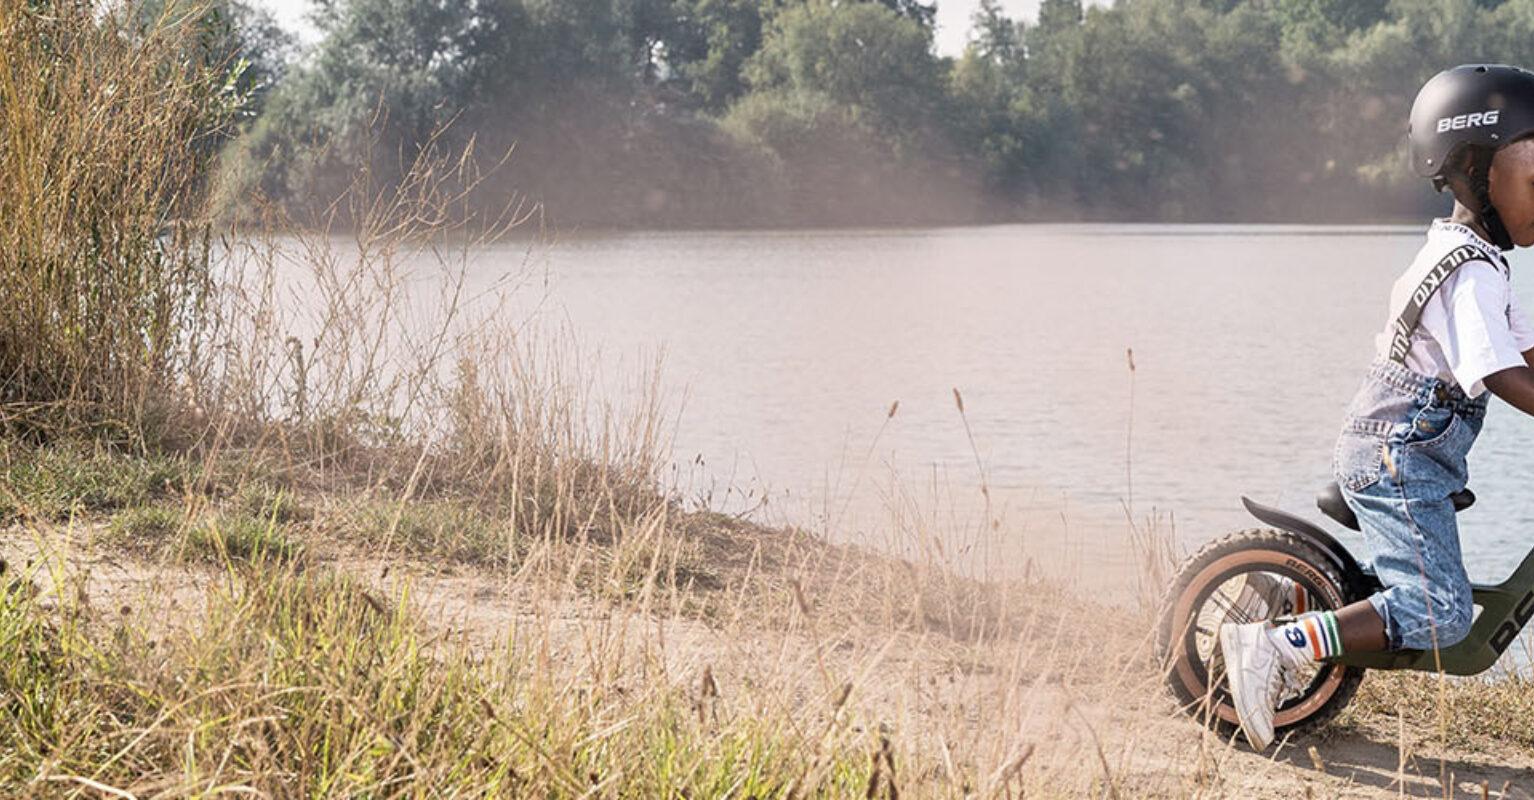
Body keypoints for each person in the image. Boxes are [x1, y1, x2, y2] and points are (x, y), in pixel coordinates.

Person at [1221, 64, 1534, 750]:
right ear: (1476, 168)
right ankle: (1276, 647)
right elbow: (1503, 374)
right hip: (1400, 458)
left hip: (1406, 450)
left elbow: (1526, 359)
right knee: (1441, 611)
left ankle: (1303, 608)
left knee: (1433, 597)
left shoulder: (1469, 257)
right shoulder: (1472, 274)